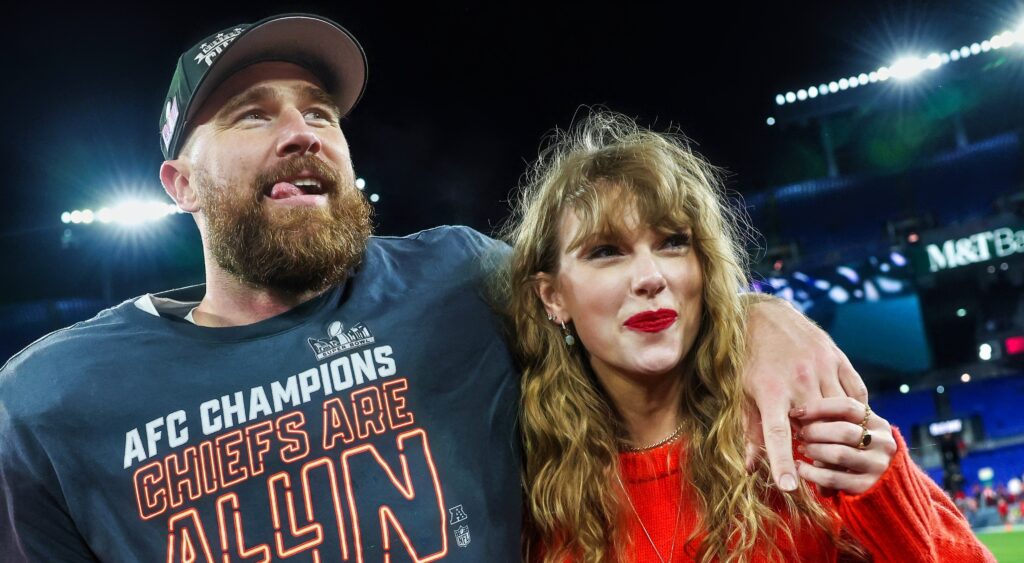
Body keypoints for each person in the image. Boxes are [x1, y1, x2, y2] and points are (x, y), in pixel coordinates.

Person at [1, 14, 866, 562]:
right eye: (252, 113)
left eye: (320, 112)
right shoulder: (52, 401)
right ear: (178, 184)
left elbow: (619, 290)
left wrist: (759, 313)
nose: (301, 131)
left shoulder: (459, 278)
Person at [503, 111, 995, 562]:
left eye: (673, 242)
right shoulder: (525, 487)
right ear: (553, 297)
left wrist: (887, 495)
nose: (650, 277)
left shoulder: (797, 431)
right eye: (607, 251)